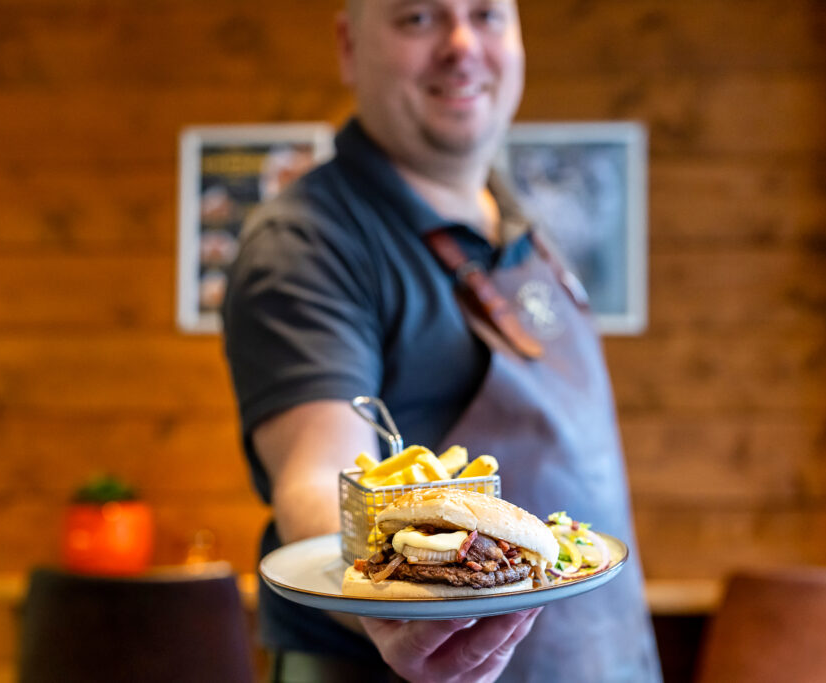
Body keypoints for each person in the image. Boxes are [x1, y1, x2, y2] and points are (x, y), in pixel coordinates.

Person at [222, 0, 663, 681]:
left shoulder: (525, 232)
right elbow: (317, 476)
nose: (462, 45)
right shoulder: (308, 244)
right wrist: (404, 613)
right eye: (419, 19)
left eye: (487, 14)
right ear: (348, 44)